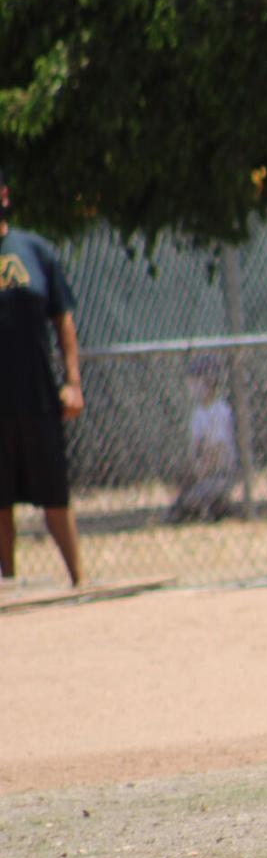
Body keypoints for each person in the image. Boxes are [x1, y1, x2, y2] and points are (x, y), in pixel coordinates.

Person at [0, 166, 85, 587]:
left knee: (55, 495)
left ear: (4, 195)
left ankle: (79, 582)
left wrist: (72, 382)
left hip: (36, 396)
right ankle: (9, 586)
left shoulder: (34, 250)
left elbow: (63, 321)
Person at [167, 353, 239, 522]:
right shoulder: (198, 413)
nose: (191, 387)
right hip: (203, 473)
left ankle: (217, 505)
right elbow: (196, 448)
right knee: (183, 501)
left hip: (219, 474)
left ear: (209, 382)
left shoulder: (219, 410)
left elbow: (217, 449)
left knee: (191, 502)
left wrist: (201, 470)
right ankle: (208, 505)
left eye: (195, 382)